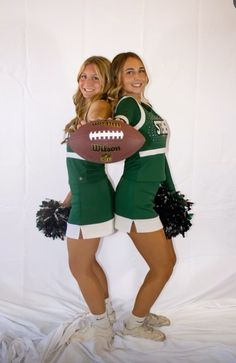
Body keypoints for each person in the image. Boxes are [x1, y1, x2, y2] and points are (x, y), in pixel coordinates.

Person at [108, 52, 176, 341]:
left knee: (165, 260)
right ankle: (134, 324)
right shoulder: (128, 104)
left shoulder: (147, 106)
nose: (137, 77)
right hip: (136, 199)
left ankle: (141, 311)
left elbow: (159, 157)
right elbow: (112, 132)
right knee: (163, 265)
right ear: (119, 80)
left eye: (140, 70)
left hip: (150, 195)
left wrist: (170, 194)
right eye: (128, 72)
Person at [62, 56, 116, 343]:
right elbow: (83, 165)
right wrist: (67, 199)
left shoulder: (100, 105)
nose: (87, 83)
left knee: (78, 267)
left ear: (105, 81)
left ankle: (102, 328)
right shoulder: (83, 108)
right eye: (83, 76)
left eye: (95, 77)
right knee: (89, 262)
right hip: (86, 193)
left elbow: (100, 119)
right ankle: (106, 314)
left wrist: (94, 122)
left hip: (92, 199)